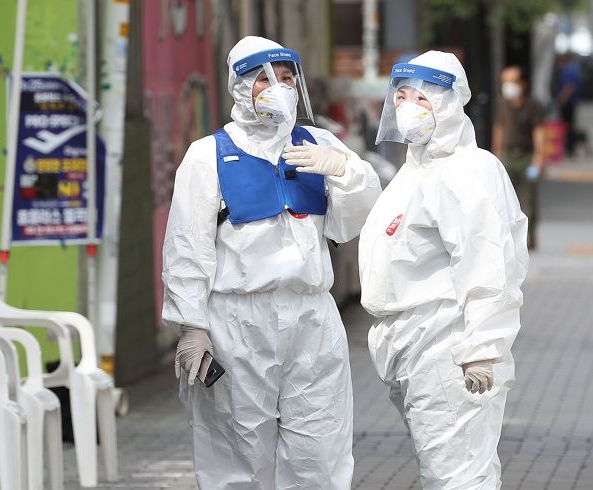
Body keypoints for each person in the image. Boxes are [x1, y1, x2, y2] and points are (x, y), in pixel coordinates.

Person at [162, 36, 381, 488]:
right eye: (264, 79)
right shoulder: (207, 156)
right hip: (237, 322)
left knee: (319, 447)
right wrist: (192, 324)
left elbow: (360, 213)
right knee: (236, 450)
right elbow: (187, 246)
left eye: (285, 79)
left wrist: (343, 169)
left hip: (311, 317)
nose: (278, 88)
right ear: (241, 87)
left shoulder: (318, 143)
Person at [358, 51, 529, 489]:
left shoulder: (467, 170)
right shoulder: (416, 172)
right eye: (401, 95)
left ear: (451, 102)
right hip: (414, 346)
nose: (408, 105)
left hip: (448, 347)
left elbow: (488, 263)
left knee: (458, 477)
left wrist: (482, 348)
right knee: (449, 472)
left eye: (423, 96)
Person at [492, 65, 545, 249]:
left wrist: (539, 157)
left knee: (529, 199)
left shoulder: (533, 105)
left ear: (523, 83)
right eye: (504, 82)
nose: (508, 86)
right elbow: (499, 128)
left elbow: (538, 131)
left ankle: (530, 237)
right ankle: (507, 237)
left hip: (526, 157)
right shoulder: (502, 104)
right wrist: (496, 154)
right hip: (507, 155)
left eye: (512, 81)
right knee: (503, 199)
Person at [554, 52, 581, 156]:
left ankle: (569, 148)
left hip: (568, 102)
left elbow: (569, 86)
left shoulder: (567, 70)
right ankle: (569, 147)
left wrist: (563, 98)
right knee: (570, 125)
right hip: (572, 102)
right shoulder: (573, 69)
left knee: (567, 126)